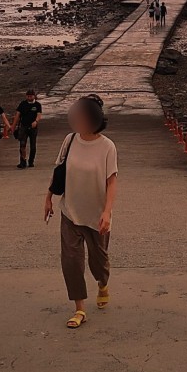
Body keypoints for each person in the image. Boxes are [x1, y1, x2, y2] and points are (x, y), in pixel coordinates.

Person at [43, 93, 118, 329]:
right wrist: (48, 198)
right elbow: (59, 171)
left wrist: (107, 212)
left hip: (96, 215)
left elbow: (112, 182)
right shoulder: (70, 140)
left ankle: (102, 283)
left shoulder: (107, 147)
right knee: (72, 262)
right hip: (70, 211)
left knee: (99, 262)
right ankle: (80, 309)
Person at [11, 88, 42, 168]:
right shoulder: (22, 104)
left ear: (34, 96)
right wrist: (13, 127)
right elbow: (17, 115)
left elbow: (39, 115)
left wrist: (36, 121)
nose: (29, 98)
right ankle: (23, 161)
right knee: (22, 145)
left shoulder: (37, 105)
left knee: (33, 146)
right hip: (23, 127)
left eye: (31, 96)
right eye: (28, 96)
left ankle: (31, 161)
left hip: (33, 128)